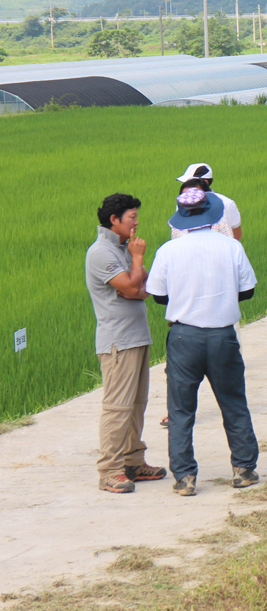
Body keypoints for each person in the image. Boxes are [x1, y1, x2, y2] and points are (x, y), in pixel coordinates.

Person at [147, 188, 258, 498]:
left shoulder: (169, 250)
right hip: (222, 335)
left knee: (180, 409)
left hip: (184, 336)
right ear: (211, 213)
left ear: (181, 217)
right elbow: (247, 290)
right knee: (233, 402)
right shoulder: (231, 246)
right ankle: (243, 469)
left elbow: (158, 295)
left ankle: (184, 477)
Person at [86, 193, 165, 494]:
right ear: (114, 220)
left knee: (137, 404)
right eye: (132, 217)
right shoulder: (101, 253)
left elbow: (145, 286)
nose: (137, 222)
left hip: (137, 336)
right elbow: (134, 287)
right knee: (117, 407)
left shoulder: (122, 248)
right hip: (118, 340)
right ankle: (109, 470)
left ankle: (133, 462)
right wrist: (137, 261)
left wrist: (135, 282)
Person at [173, 164, 242, 240]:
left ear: (205, 182)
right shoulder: (184, 203)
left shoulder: (227, 203)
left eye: (191, 183)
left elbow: (236, 235)